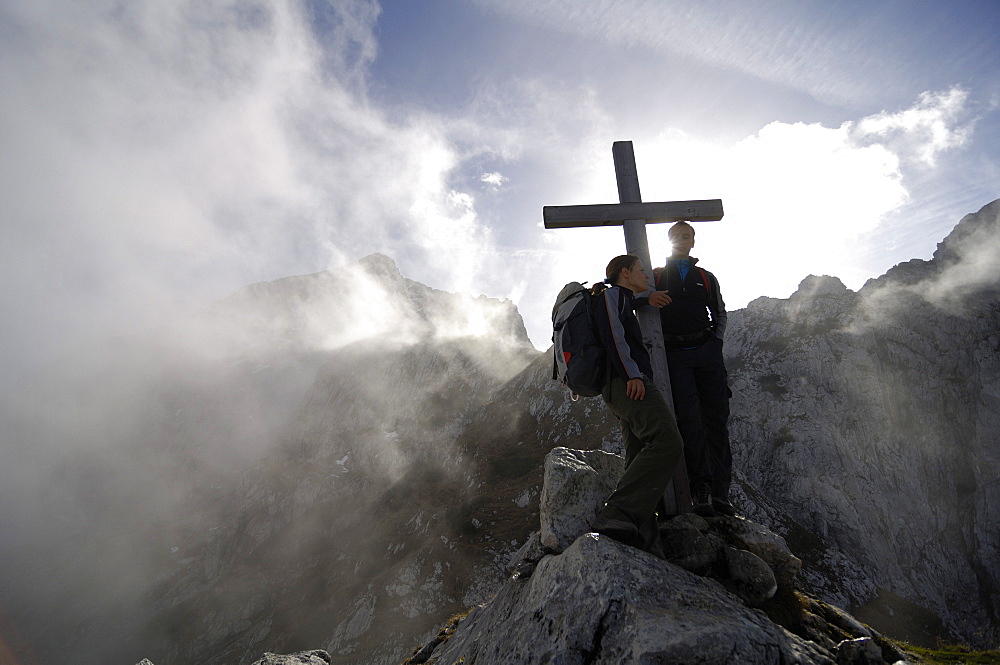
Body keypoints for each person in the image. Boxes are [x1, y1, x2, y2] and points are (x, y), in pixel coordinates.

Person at [590, 254, 685, 556]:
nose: (647, 275)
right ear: (625, 272)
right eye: (642, 271)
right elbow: (615, 337)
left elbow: (627, 309)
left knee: (638, 452)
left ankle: (640, 531)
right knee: (667, 440)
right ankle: (618, 513)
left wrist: (645, 298)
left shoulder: (621, 298)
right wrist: (632, 374)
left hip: (623, 383)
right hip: (627, 381)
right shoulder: (611, 295)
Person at [648, 221, 736, 516]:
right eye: (677, 236)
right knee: (689, 422)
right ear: (669, 239)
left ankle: (721, 495)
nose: (683, 240)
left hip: (706, 353)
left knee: (716, 421)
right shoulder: (656, 276)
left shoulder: (706, 277)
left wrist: (716, 343)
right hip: (675, 356)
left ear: (694, 242)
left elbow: (719, 313)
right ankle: (702, 490)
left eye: (687, 236)